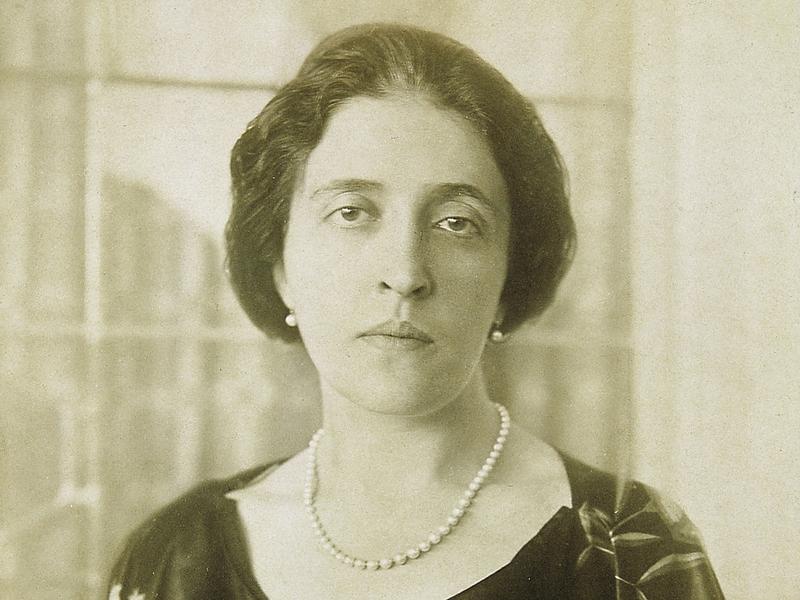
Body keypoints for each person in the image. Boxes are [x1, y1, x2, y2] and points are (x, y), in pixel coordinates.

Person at [107, 23, 724, 599]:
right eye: (351, 212)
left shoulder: (627, 552)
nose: (404, 273)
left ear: (509, 278)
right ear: (280, 267)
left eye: (457, 222)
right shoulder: (174, 558)